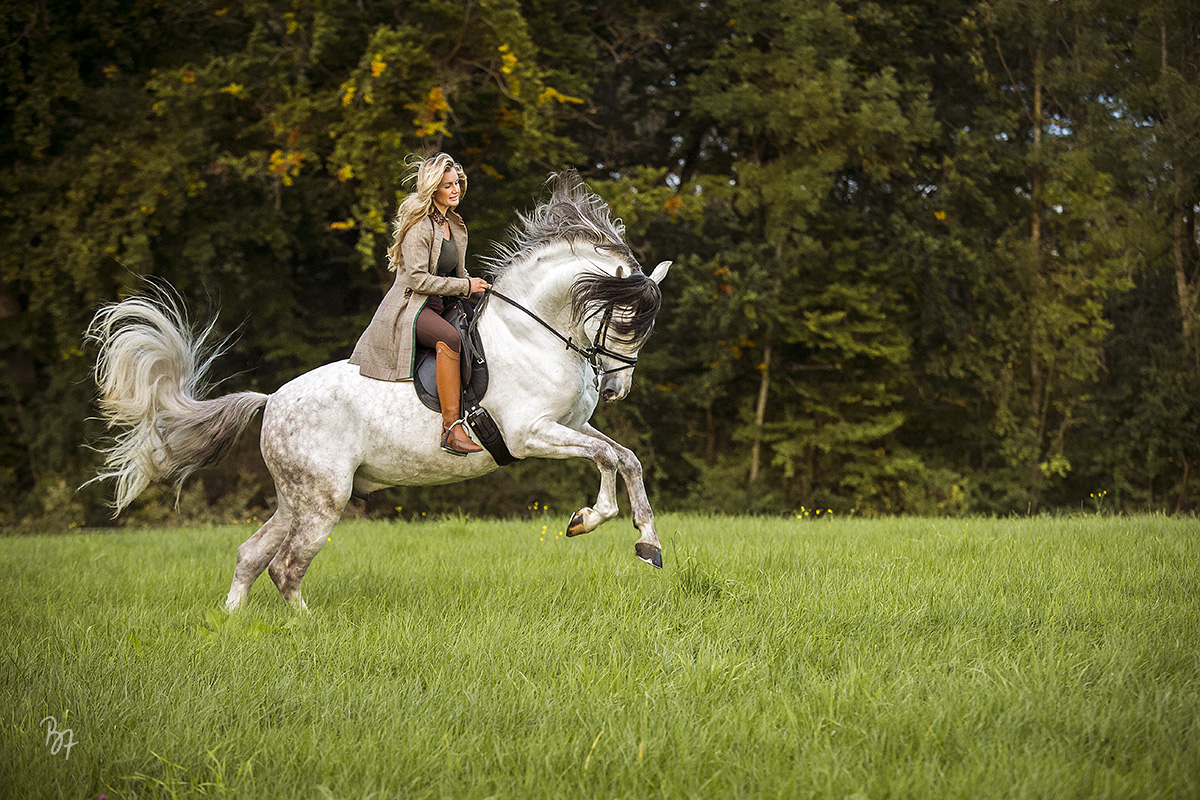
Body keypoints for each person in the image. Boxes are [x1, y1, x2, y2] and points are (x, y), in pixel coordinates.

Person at [349, 153, 490, 455]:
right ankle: (451, 429)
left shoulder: (455, 224)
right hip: (413, 308)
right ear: (433, 189)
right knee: (450, 338)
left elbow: (459, 273)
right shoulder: (420, 227)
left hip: (444, 303)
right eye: (447, 186)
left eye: (456, 184)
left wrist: (484, 291)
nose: (455, 191)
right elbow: (418, 280)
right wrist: (466, 286)